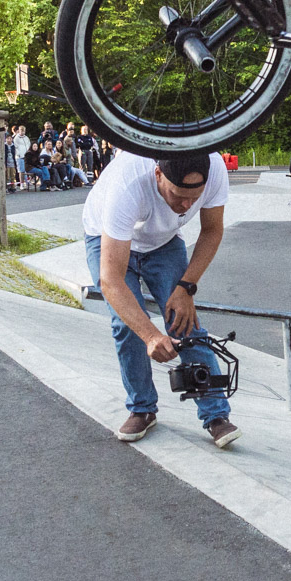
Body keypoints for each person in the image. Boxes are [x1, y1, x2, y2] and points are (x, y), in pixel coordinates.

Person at [82, 149, 240, 449]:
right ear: (158, 175)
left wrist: (186, 288)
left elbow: (212, 230)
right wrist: (150, 335)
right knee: (128, 325)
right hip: (107, 239)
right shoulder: (127, 183)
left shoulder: (216, 167)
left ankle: (216, 416)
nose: (185, 206)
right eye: (178, 196)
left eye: (194, 198)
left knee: (185, 323)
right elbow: (111, 281)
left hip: (164, 242)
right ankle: (142, 409)